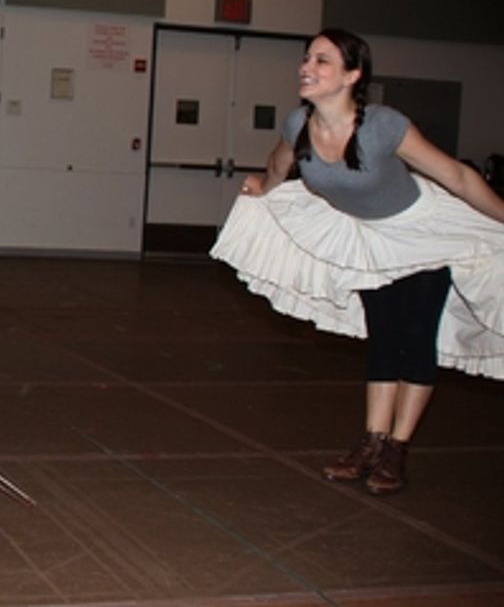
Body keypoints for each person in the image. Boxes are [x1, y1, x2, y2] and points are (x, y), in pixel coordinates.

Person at [211, 27, 504, 495]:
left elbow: (458, 177)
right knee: (384, 337)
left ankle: (397, 449)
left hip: (422, 235)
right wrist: (264, 186)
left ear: (352, 74)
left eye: (323, 60)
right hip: (368, 241)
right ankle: (371, 442)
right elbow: (279, 162)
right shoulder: (298, 125)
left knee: (416, 337)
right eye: (307, 58)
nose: (307, 67)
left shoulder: (383, 126)